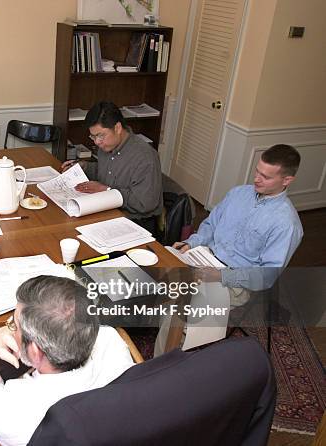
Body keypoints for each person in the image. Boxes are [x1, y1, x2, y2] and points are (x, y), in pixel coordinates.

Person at [155, 144, 304, 355]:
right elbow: (210, 225)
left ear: (286, 180)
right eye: (257, 171)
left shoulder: (287, 224)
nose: (257, 179)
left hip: (233, 280)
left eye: (266, 177)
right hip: (203, 254)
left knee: (182, 304)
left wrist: (221, 276)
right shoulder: (238, 194)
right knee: (154, 264)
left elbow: (267, 276)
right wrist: (192, 243)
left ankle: (165, 362)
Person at [0, 275, 135, 446]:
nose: (10, 330)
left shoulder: (13, 410)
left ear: (36, 352)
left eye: (14, 325)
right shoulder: (111, 341)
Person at [61, 101, 163, 232]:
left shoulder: (145, 157)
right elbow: (107, 172)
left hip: (136, 223)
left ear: (118, 128)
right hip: (108, 211)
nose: (97, 142)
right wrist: (83, 166)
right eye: (93, 136)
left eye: (100, 135)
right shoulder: (108, 145)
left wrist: (107, 190)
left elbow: (145, 203)